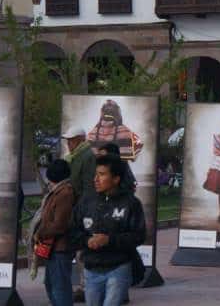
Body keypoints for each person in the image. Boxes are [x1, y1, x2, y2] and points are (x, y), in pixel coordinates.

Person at [69, 156, 146, 306]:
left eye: (102, 174)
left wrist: (109, 240)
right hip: (91, 268)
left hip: (118, 268)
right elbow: (72, 231)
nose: (96, 179)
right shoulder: (86, 201)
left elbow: (139, 235)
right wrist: (87, 241)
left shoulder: (131, 203)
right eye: (96, 174)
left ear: (116, 179)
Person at [34, 159, 76, 306]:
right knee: (51, 285)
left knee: (59, 288)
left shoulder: (64, 193)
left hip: (60, 248)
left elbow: (60, 225)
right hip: (53, 247)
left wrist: (40, 232)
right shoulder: (58, 191)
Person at [62, 125, 96, 302]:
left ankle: (86, 287)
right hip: (76, 209)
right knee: (80, 250)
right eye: (68, 140)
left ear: (81, 139)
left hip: (83, 211)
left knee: (83, 250)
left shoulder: (87, 156)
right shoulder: (76, 156)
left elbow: (88, 187)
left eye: (72, 140)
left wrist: (82, 212)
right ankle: (85, 286)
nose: (69, 143)